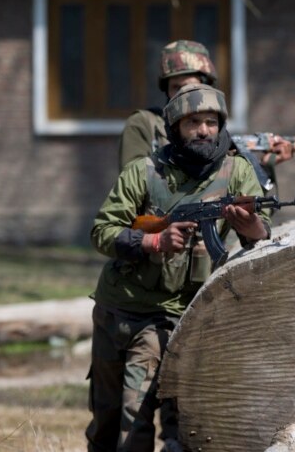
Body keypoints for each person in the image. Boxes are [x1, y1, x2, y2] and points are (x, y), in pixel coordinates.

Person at [88, 83, 272, 452]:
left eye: (210, 122)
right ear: (175, 128)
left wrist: (249, 226)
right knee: (105, 421)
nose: (204, 130)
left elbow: (263, 230)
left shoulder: (236, 171)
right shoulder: (144, 171)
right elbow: (102, 231)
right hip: (118, 306)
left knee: (137, 419)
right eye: (193, 123)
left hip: (173, 316)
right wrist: (152, 241)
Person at [117, 40, 294, 182]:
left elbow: (253, 212)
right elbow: (133, 186)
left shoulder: (214, 131)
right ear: (166, 90)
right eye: (175, 87)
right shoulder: (144, 124)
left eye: (189, 87)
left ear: (206, 87)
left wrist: (263, 167)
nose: (182, 95)